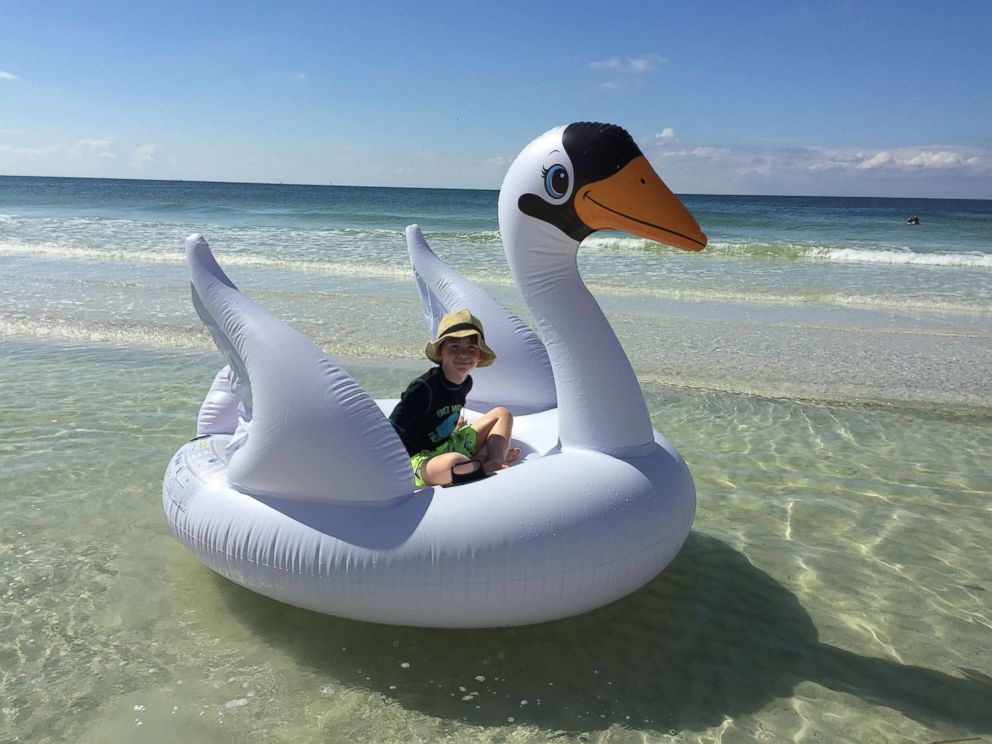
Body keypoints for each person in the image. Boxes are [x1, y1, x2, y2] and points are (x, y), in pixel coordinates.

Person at [389, 308, 521, 487]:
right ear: (441, 352)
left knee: (502, 413)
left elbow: (443, 410)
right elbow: (392, 428)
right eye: (454, 347)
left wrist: (454, 423)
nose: (464, 355)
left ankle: (496, 459)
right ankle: (480, 463)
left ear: (479, 355)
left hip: (449, 443)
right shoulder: (424, 388)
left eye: (471, 348)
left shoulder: (466, 383)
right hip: (418, 457)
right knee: (456, 463)